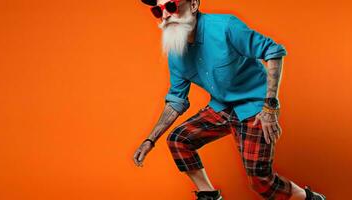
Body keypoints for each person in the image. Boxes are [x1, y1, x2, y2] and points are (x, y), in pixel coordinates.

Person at [132, 0, 327, 199]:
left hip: (254, 107)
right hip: (222, 107)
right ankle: (209, 195)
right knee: (179, 140)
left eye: (171, 7)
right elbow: (176, 100)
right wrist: (150, 140)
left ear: (193, 4)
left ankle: (310, 198)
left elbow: (273, 51)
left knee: (262, 184)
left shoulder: (226, 26)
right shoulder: (175, 52)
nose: (165, 16)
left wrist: (270, 107)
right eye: (158, 10)